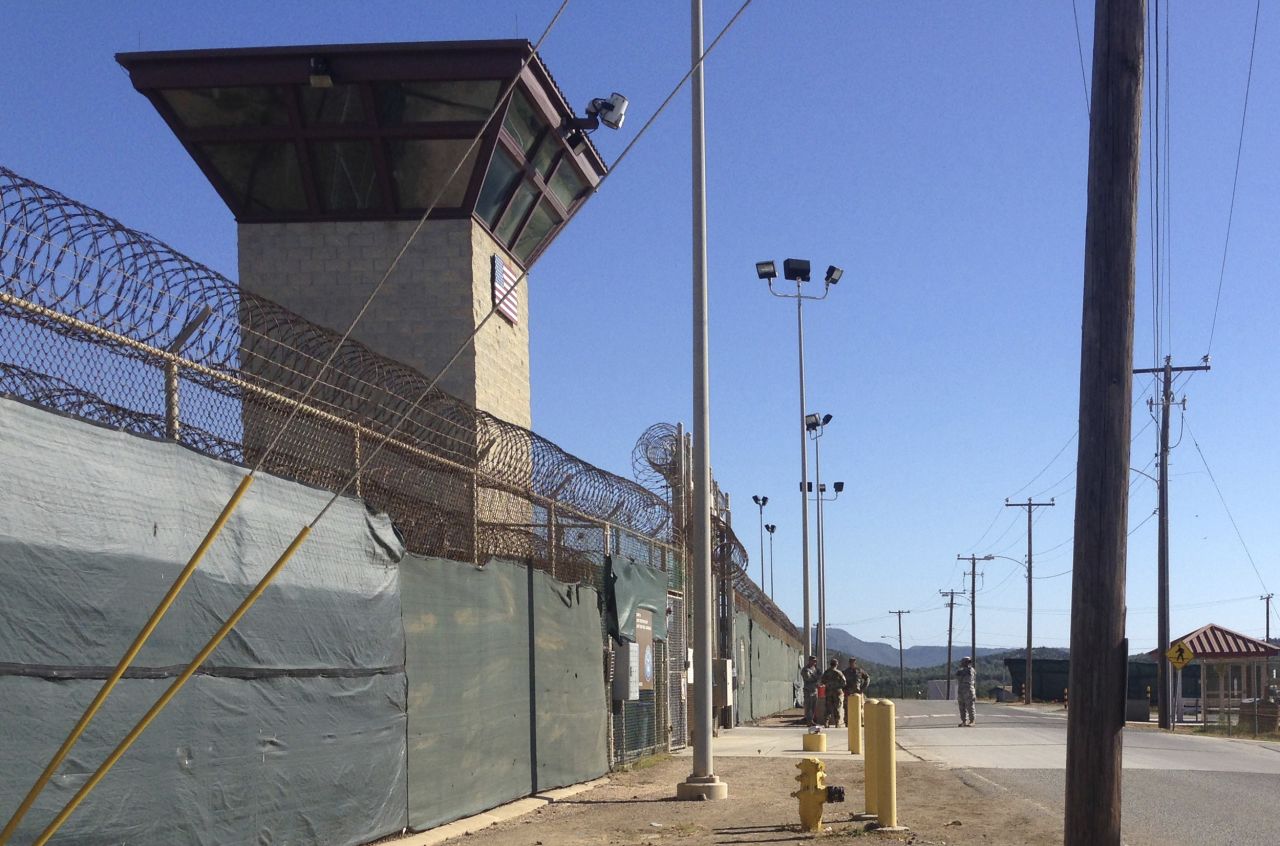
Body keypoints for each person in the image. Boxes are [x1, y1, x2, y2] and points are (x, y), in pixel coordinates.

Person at [820, 659, 847, 727]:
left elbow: (822, 681)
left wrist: (828, 684)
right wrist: (839, 686)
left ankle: (826, 722)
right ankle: (837, 723)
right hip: (837, 692)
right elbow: (844, 682)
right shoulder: (839, 672)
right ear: (836, 664)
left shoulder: (826, 672)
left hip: (828, 691)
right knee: (837, 707)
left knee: (828, 707)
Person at [843, 657, 870, 723]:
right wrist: (844, 689)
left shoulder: (859, 671)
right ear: (849, 663)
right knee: (847, 707)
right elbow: (841, 681)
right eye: (850, 662)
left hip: (858, 692)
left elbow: (867, 678)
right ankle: (848, 722)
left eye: (853, 662)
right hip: (848, 692)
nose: (852, 663)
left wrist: (863, 688)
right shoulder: (845, 672)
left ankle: (861, 722)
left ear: (855, 663)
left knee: (860, 707)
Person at [957, 656, 977, 726]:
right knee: (961, 706)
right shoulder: (962, 670)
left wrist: (961, 671)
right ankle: (964, 721)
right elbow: (958, 675)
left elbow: (966, 674)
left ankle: (972, 721)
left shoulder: (970, 670)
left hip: (968, 689)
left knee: (970, 706)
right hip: (961, 689)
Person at [801, 656, 821, 726]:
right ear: (809, 661)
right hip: (808, 690)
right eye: (813, 661)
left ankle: (811, 720)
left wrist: (817, 679)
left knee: (813, 706)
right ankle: (809, 720)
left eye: (815, 661)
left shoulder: (816, 669)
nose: (814, 662)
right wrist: (816, 679)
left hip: (814, 690)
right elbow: (808, 678)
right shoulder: (805, 669)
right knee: (808, 706)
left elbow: (820, 677)